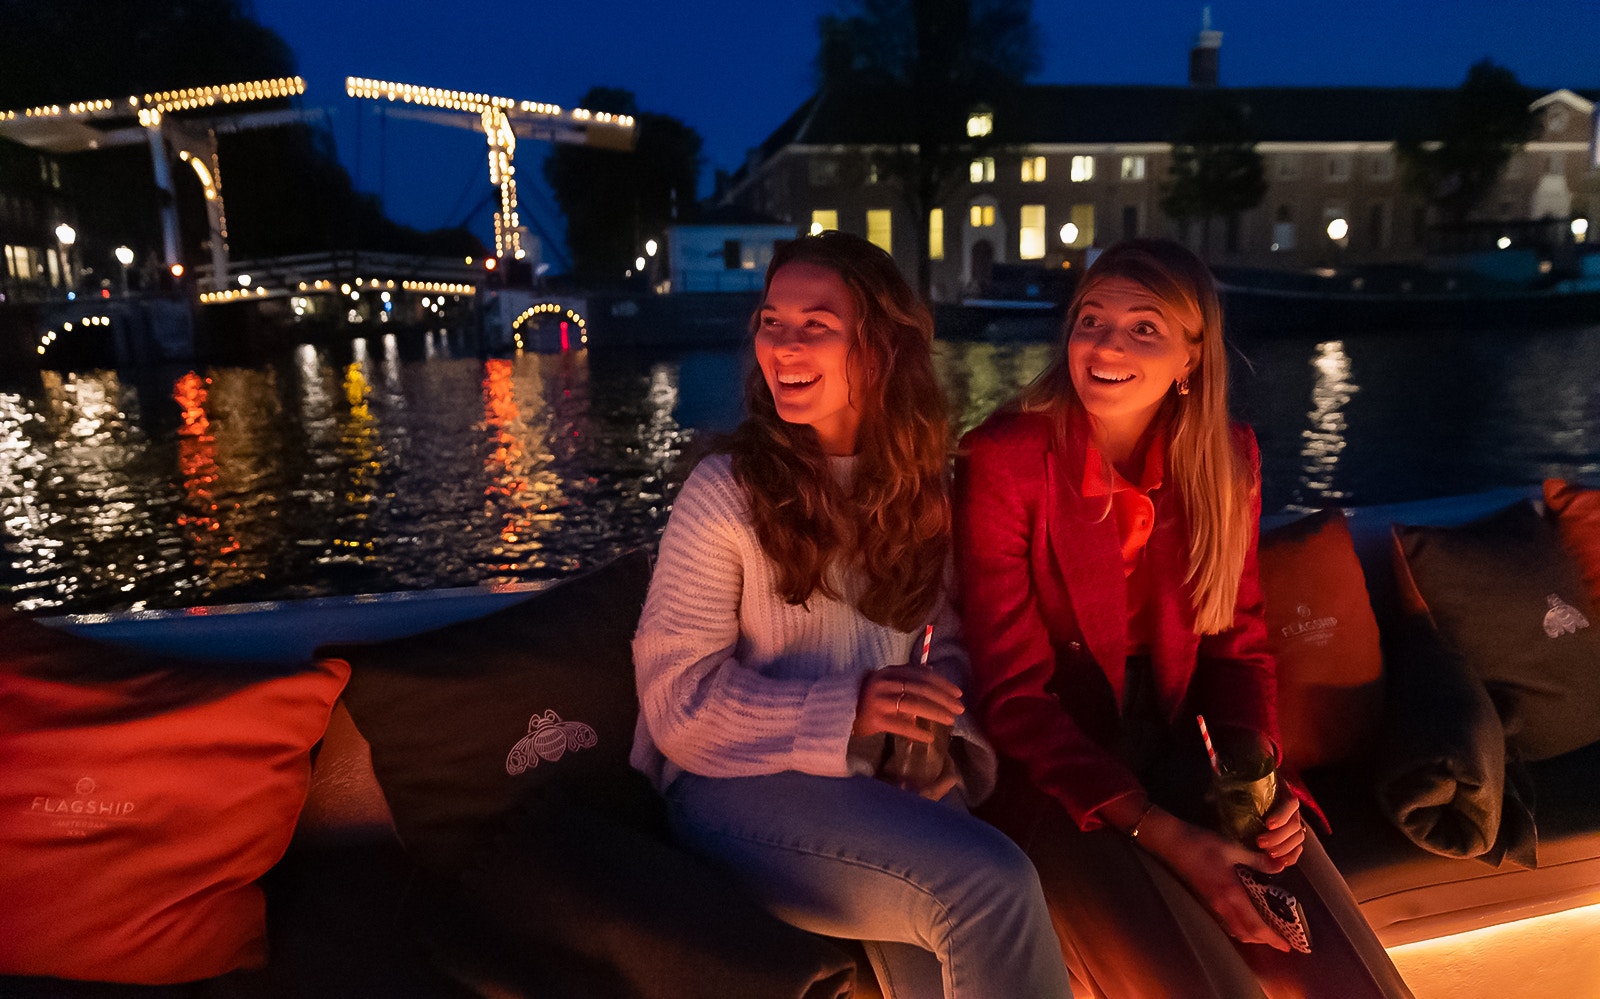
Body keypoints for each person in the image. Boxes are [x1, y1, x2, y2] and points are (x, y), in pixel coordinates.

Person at [953, 239, 1413, 999]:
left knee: (1318, 948)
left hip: (1180, 739)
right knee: (1187, 975)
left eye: (1144, 328)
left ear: (1191, 358)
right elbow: (1013, 697)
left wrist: (1255, 778)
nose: (1105, 343)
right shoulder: (1005, 457)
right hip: (1055, 767)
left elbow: (1238, 646)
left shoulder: (1228, 457)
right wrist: (1163, 832)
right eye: (1091, 319)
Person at [631, 231, 1071, 999]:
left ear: (881, 346)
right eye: (772, 321)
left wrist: (930, 736)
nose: (784, 344)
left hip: (871, 790)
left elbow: (948, 646)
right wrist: (854, 708)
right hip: (729, 785)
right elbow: (678, 705)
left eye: (816, 324)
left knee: (935, 969)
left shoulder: (920, 490)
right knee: (990, 885)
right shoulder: (723, 492)